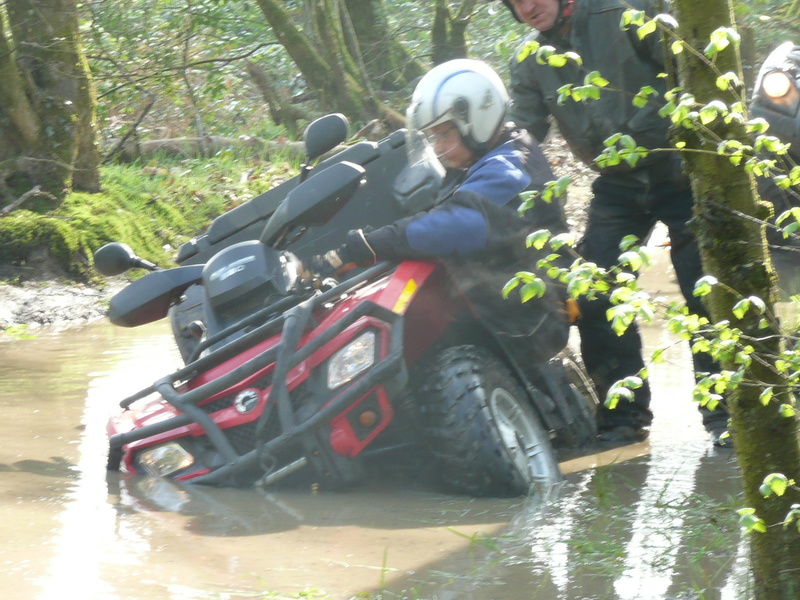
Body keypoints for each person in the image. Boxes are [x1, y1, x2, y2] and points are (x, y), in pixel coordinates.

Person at [496, 0, 729, 444]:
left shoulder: (622, 11)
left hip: (679, 167)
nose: (528, 6)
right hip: (618, 184)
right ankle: (624, 420)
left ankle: (726, 417)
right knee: (593, 289)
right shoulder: (530, 60)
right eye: (515, 0)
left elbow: (692, 71)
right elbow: (520, 138)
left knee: (705, 286)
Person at [312, 58, 572, 367]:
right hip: (501, 306)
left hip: (529, 322)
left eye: (443, 135)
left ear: (478, 120)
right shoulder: (488, 156)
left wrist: (367, 246)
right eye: (432, 137)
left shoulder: (511, 168)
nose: (436, 148)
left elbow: (455, 225)